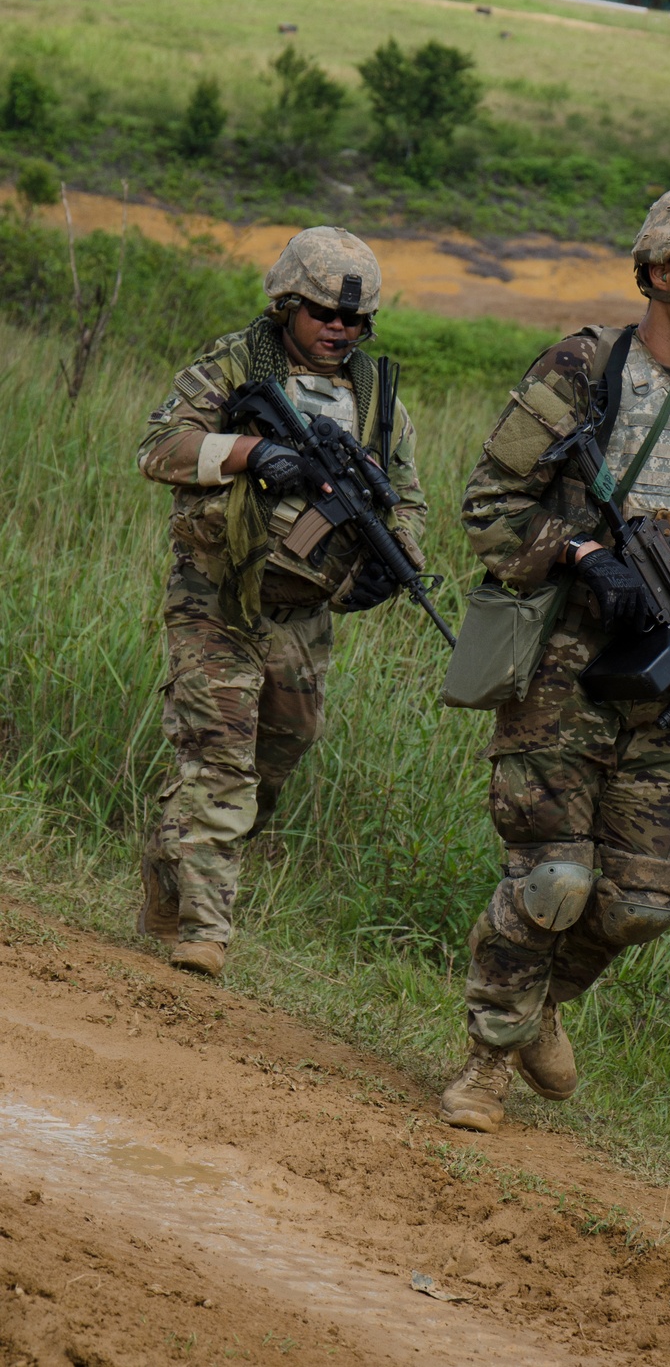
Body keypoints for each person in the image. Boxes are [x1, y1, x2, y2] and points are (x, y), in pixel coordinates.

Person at [440, 186, 670, 1132]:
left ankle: (544, 1000)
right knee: (553, 881)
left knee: (641, 900)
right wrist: (583, 554)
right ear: (665, 271)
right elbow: (488, 504)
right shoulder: (587, 368)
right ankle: (485, 1061)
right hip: (562, 670)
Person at [136, 227, 426, 978]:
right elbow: (159, 449)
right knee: (221, 761)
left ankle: (170, 862)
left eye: (355, 321)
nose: (340, 329)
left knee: (271, 765)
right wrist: (249, 452)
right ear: (286, 304)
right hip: (219, 597)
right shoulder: (235, 364)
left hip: (303, 615)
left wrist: (397, 562)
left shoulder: (375, 395)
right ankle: (205, 929)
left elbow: (408, 496)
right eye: (325, 313)